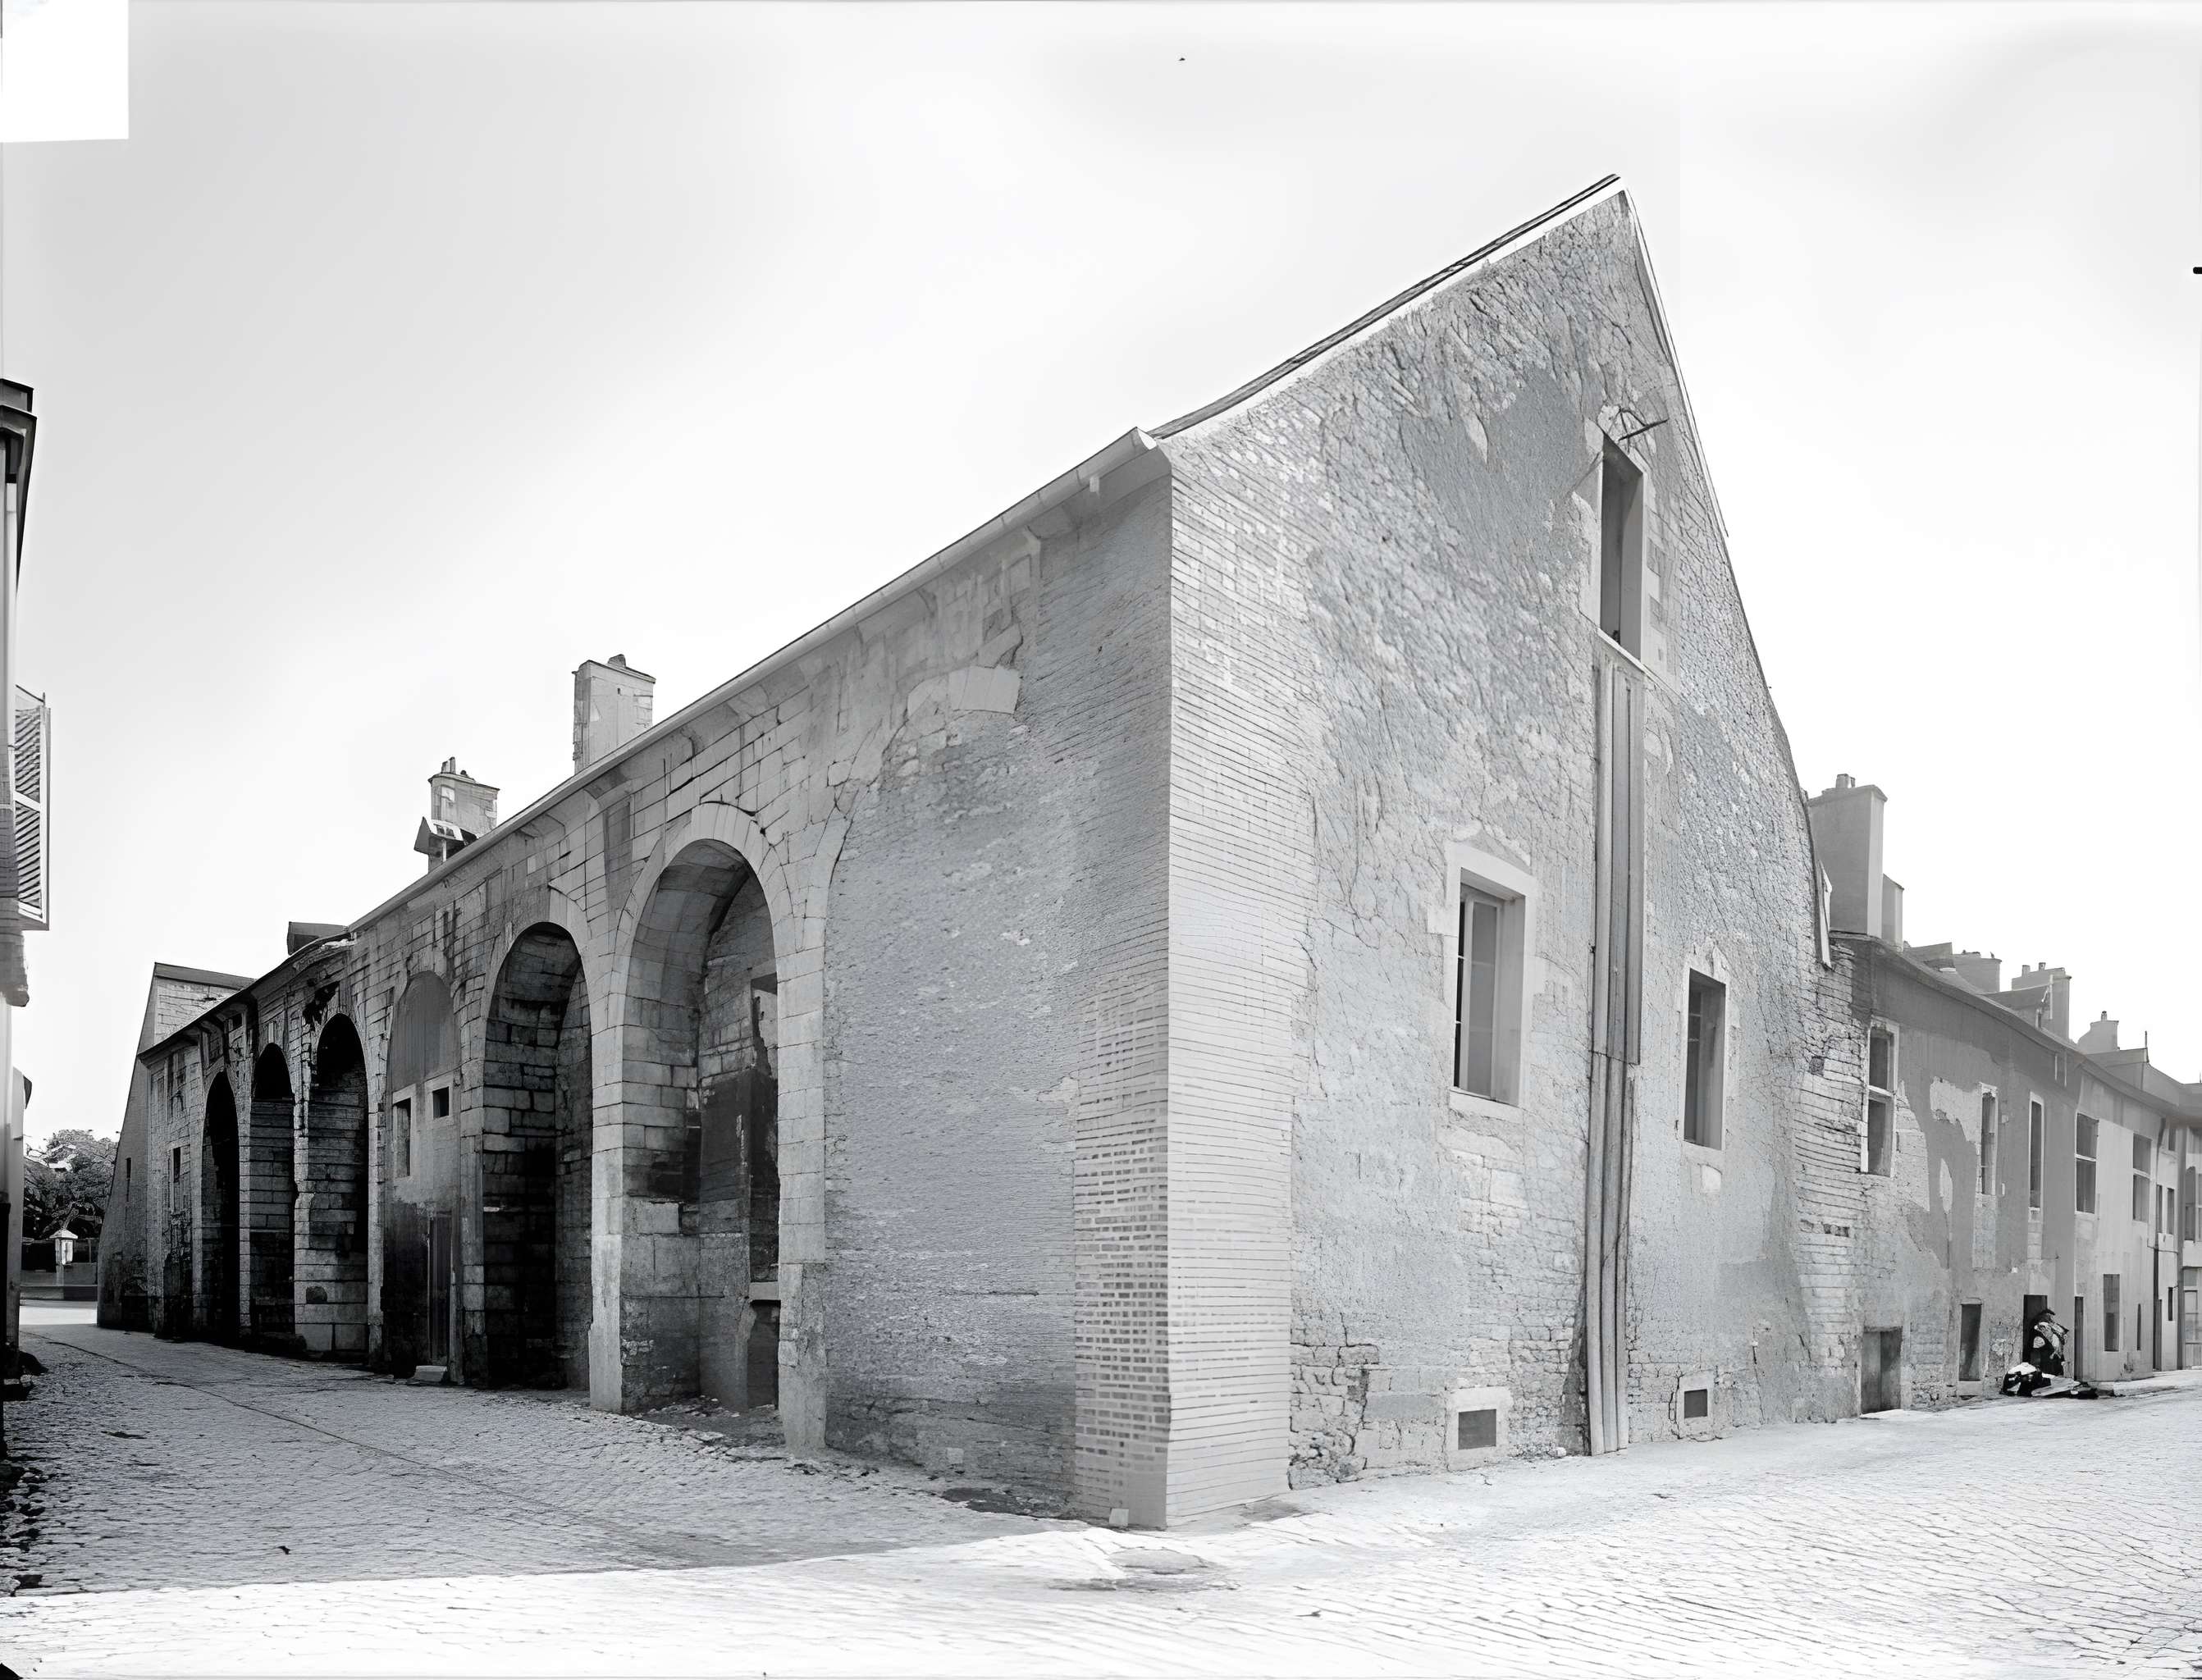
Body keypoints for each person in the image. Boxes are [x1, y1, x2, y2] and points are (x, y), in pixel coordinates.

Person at [2027, 1306, 2067, 1377]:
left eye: (2051, 1316)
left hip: (2054, 1356)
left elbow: (2060, 1342)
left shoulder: (2053, 1328)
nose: (2051, 1318)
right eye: (2049, 1316)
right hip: (2046, 1356)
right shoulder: (2041, 1327)